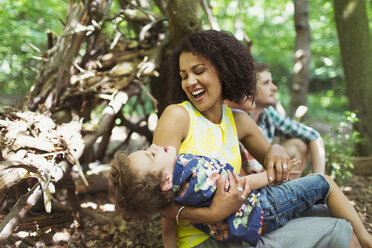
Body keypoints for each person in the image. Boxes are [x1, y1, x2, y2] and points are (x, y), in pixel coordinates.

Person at [149, 30, 354, 248]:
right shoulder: (177, 116)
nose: (190, 81)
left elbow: (272, 161)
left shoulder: (238, 121)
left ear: (224, 70)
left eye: (199, 71)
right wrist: (210, 214)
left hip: (242, 226)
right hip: (201, 241)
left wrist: (275, 148)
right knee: (340, 230)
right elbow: (158, 201)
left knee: (331, 214)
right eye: (183, 76)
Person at [108, 144, 372, 247]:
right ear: (166, 181)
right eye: (152, 154)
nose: (155, 145)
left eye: (147, 149)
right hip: (265, 207)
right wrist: (272, 176)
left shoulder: (170, 197)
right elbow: (240, 185)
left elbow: (170, 226)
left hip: (251, 220)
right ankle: (366, 239)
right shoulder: (193, 174)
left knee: (326, 209)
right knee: (323, 183)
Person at [227, 62, 325, 179]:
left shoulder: (269, 113)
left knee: (299, 145)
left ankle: (291, 192)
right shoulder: (235, 118)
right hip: (249, 181)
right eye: (266, 83)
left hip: (266, 173)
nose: (274, 87)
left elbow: (312, 135)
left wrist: (320, 179)